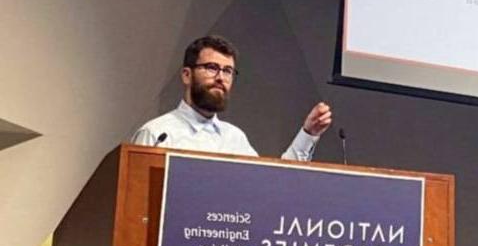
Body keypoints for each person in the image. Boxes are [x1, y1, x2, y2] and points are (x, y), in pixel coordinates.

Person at [132, 35, 332, 160]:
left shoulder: (234, 138)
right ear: (187, 75)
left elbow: (272, 186)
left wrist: (308, 133)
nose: (220, 78)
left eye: (228, 71)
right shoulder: (157, 134)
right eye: (211, 68)